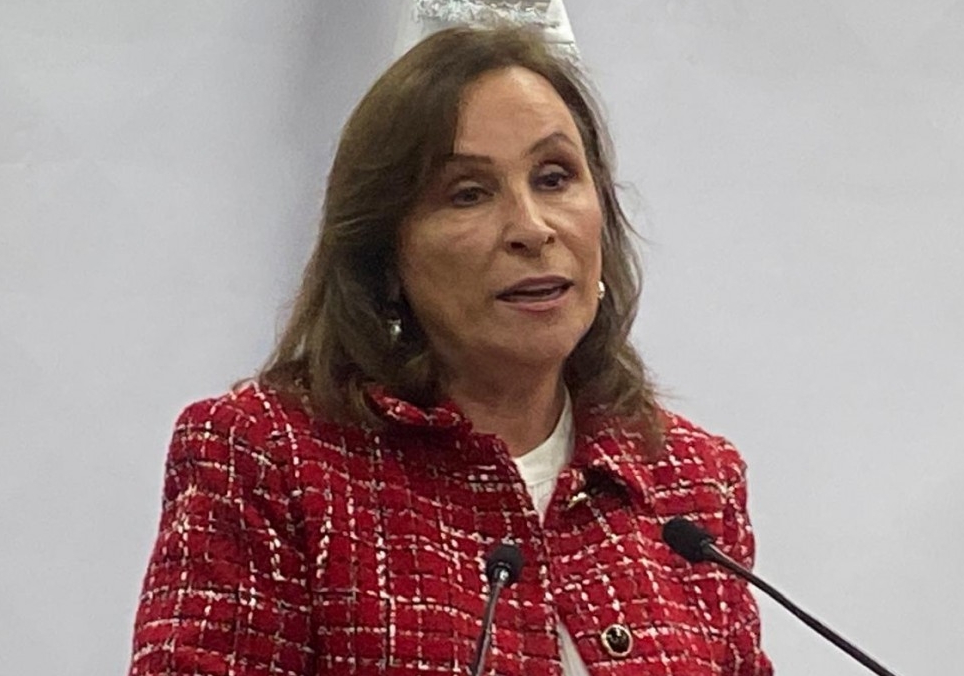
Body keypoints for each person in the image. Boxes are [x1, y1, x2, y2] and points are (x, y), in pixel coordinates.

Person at [129, 25, 773, 676]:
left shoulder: (692, 481)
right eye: (469, 193)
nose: (532, 228)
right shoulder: (267, 457)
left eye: (554, 178)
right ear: (386, 254)